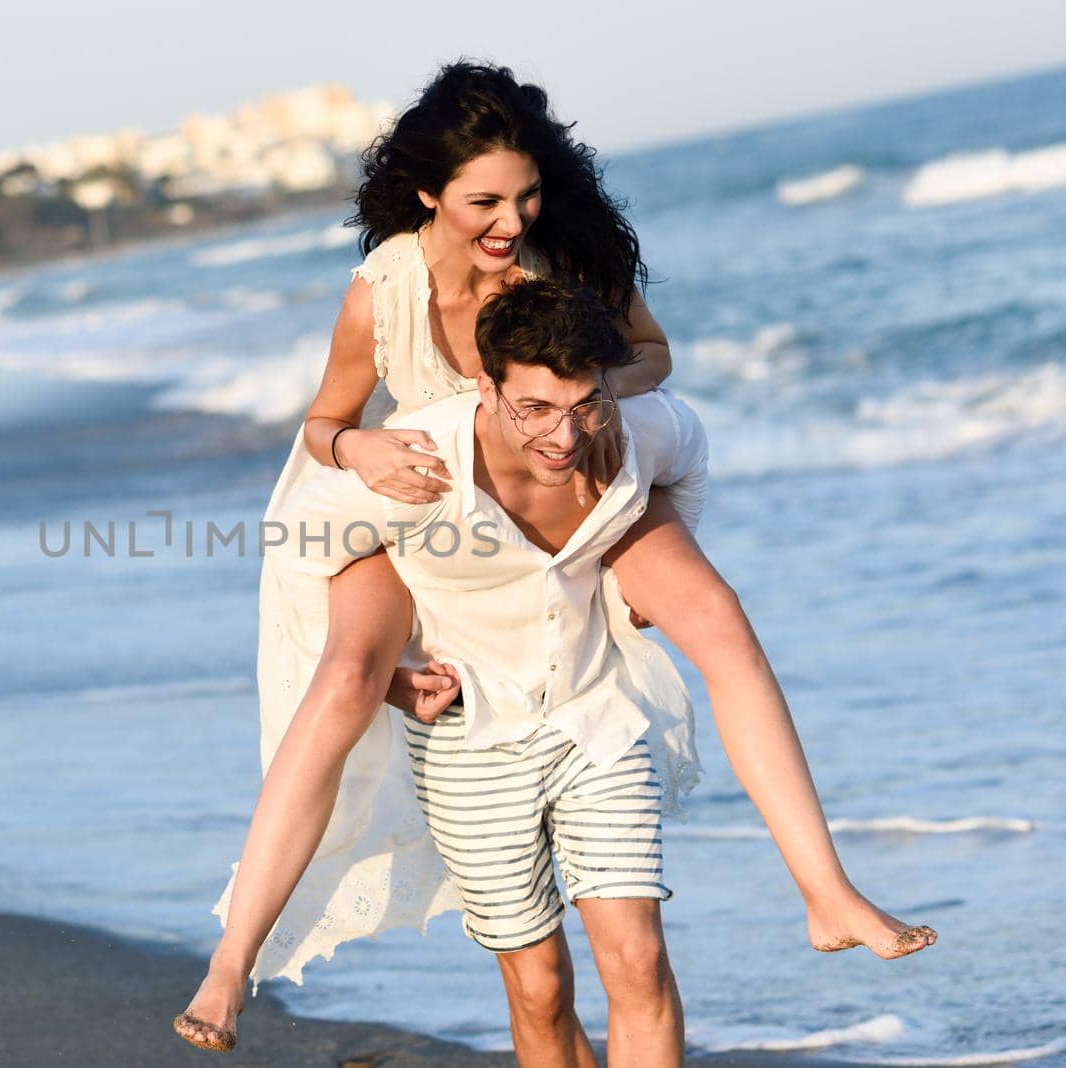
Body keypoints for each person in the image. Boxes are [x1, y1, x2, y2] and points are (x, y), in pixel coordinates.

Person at [254, 279, 937, 1065]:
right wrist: (392, 671)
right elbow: (302, 551)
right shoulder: (423, 459)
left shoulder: (640, 429)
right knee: (539, 990)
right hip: (474, 740)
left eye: (585, 404)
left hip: (595, 716)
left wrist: (642, 572)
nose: (565, 433)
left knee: (639, 961)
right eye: (537, 408)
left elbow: (689, 461)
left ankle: (829, 894)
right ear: (489, 387)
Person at [176, 61, 672, 1054]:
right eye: (485, 200)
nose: (509, 217)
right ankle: (230, 966)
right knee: (347, 675)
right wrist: (356, 444)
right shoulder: (384, 289)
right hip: (401, 499)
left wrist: (595, 392)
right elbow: (326, 420)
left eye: (525, 193)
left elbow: (655, 357)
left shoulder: (565, 265)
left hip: (513, 502)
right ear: (426, 194)